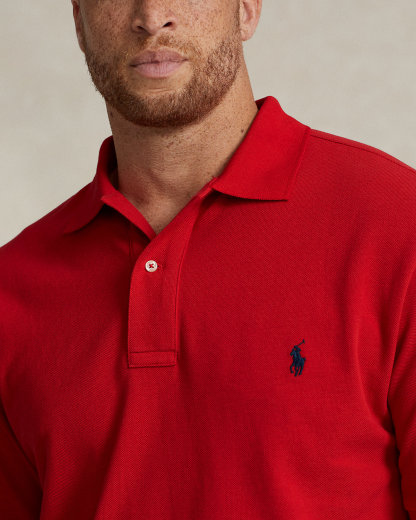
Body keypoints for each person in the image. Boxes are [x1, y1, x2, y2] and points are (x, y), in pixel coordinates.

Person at [1, 1, 415, 518]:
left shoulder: (397, 224)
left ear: (246, 9)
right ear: (79, 21)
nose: (152, 15)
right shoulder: (12, 287)